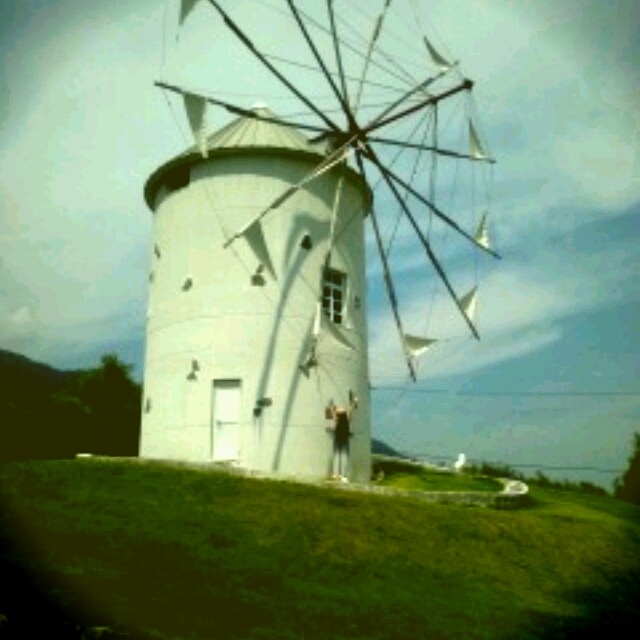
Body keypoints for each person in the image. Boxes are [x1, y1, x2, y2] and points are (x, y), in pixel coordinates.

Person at [327, 390, 358, 482]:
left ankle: (337, 474)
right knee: (343, 455)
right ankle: (342, 475)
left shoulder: (338, 419)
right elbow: (350, 411)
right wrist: (353, 403)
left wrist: (331, 405)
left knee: (338, 454)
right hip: (343, 436)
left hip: (339, 436)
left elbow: (334, 414)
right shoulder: (346, 419)